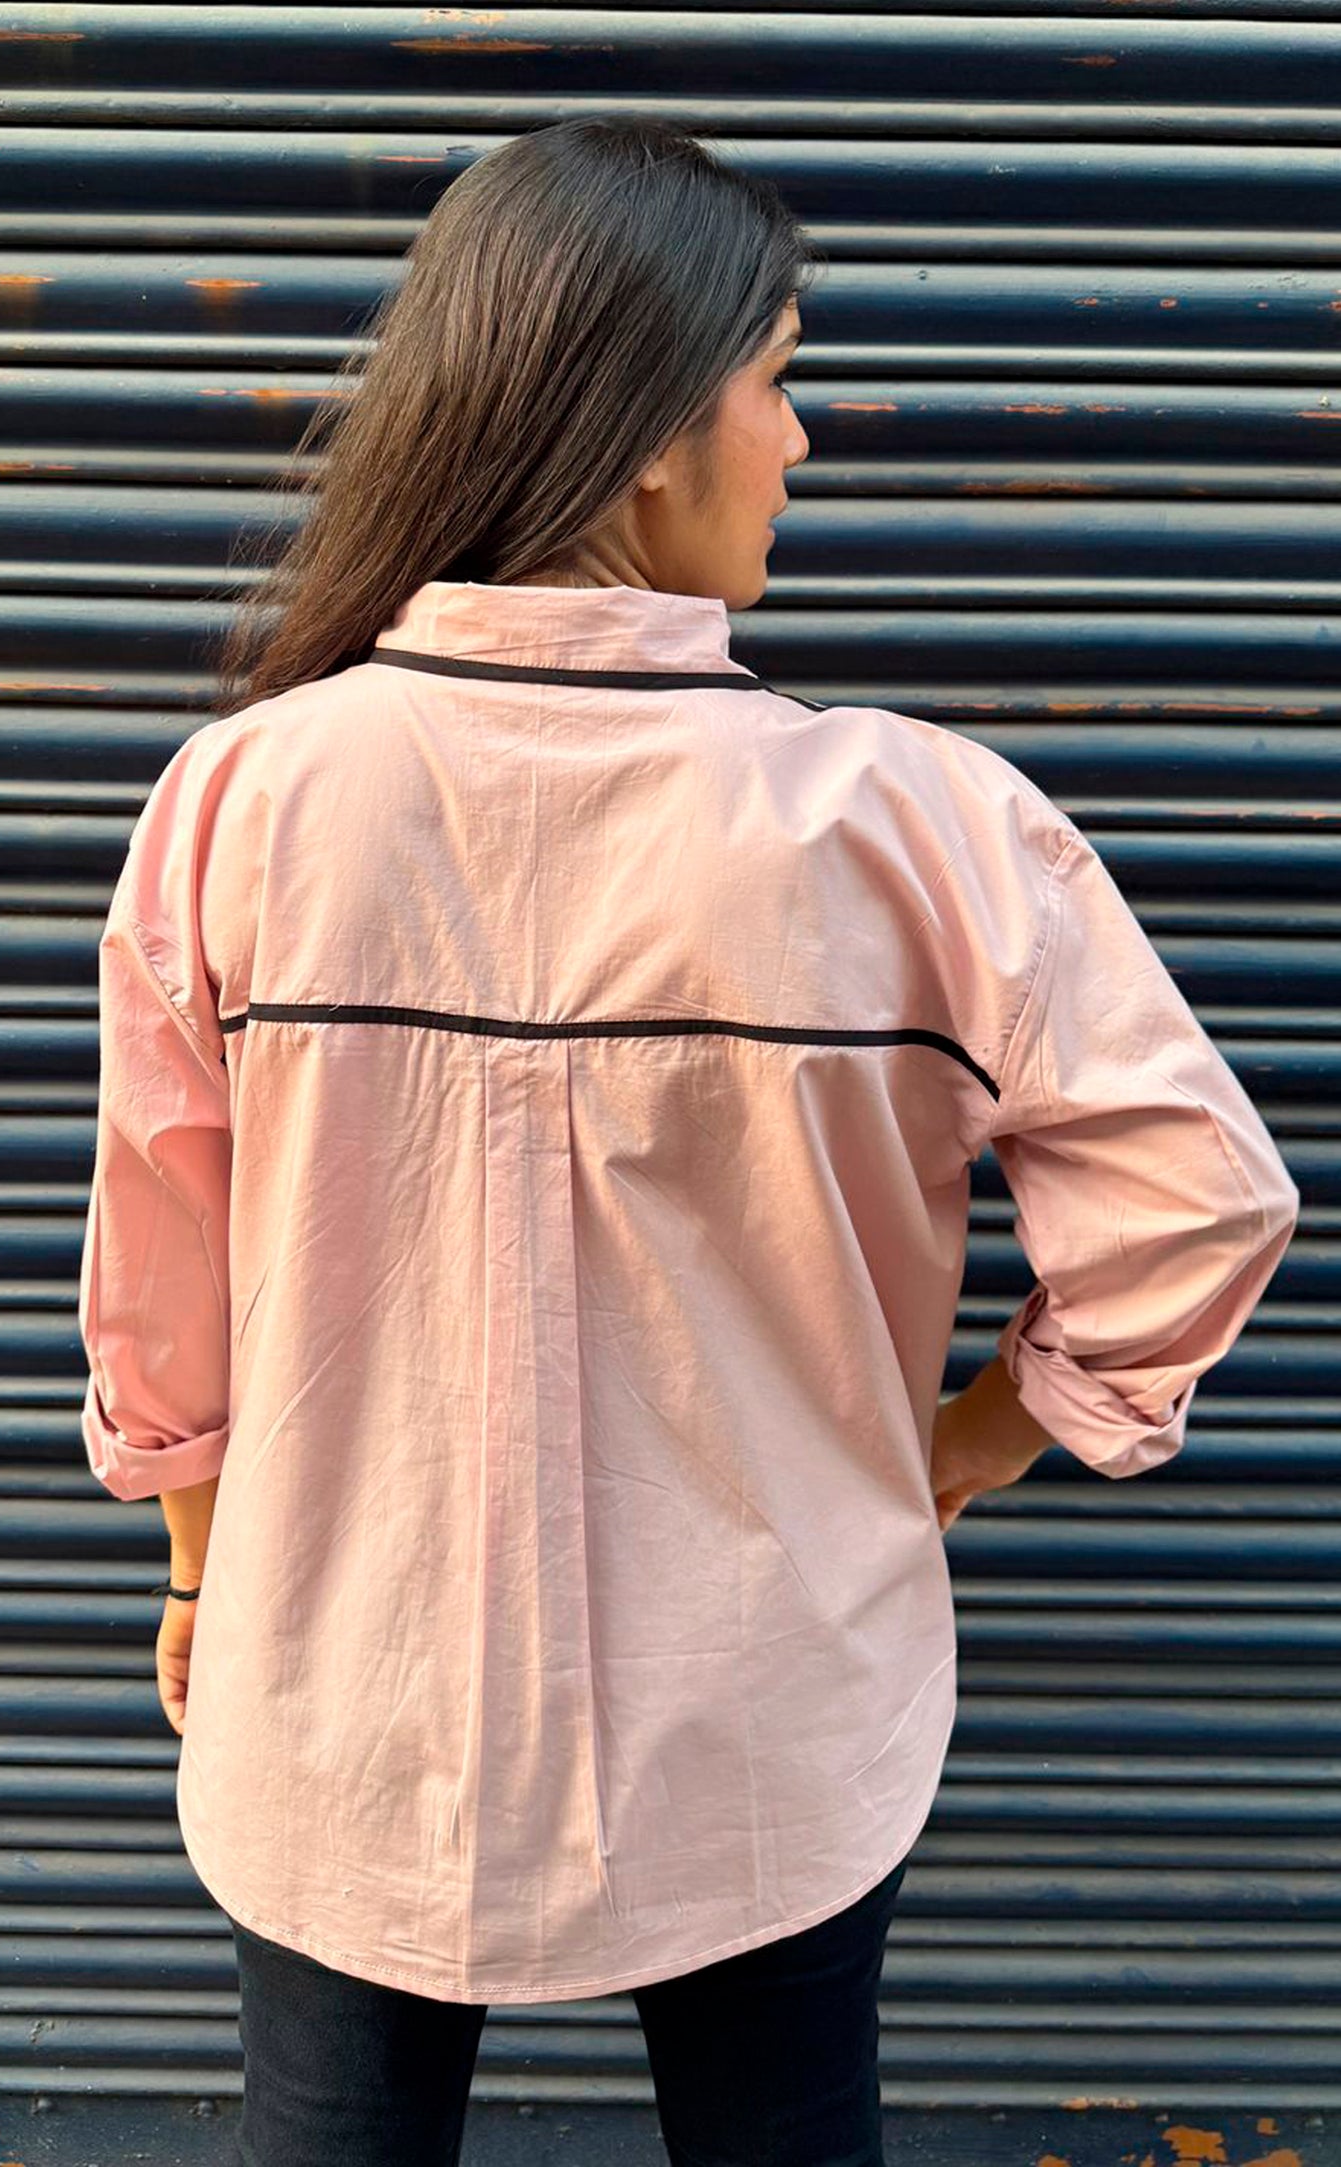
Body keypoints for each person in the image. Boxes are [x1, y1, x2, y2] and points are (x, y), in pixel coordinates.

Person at [76, 115, 1300, 2167]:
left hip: (344, 1689)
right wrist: (968, 1445)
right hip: (778, 1707)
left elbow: (162, 1278)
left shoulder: (246, 799)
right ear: (654, 426)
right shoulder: (913, 828)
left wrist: (205, 1571)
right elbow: (1200, 1202)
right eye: (777, 373)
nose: (801, 441)